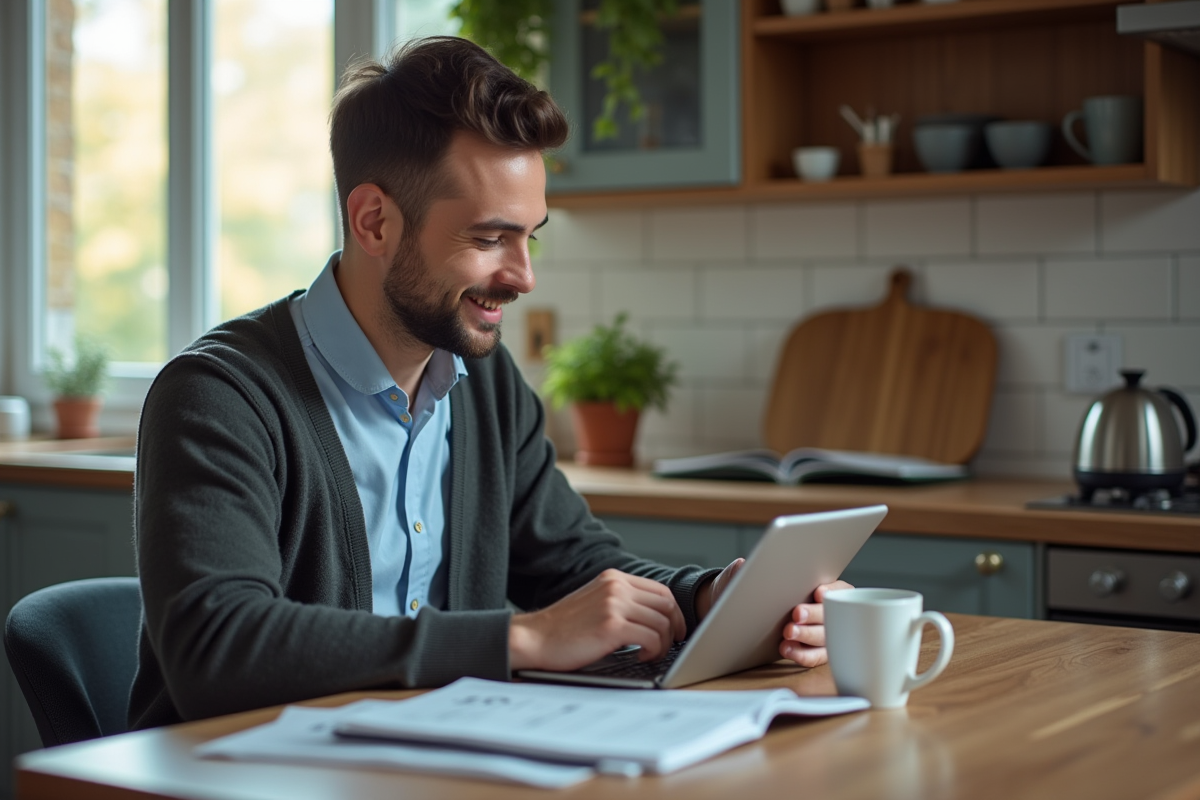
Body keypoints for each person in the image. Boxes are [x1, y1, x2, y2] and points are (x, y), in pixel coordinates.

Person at [129, 36, 847, 730]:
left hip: (425, 766)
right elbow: (215, 646)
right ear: (374, 221)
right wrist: (518, 640)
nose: (524, 277)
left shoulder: (483, 379)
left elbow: (573, 566)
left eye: (529, 237)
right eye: (488, 238)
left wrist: (713, 599)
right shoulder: (220, 395)